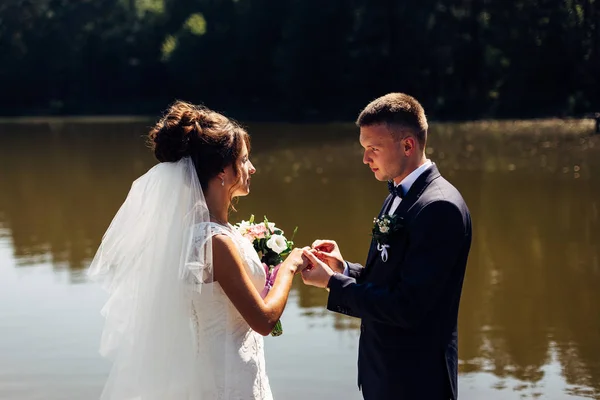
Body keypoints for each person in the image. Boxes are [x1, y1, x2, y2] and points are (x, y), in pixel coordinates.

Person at [88, 100, 307, 399]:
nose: (252, 168)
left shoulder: (200, 234)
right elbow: (264, 321)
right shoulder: (216, 242)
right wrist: (289, 266)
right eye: (243, 160)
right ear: (221, 171)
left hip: (221, 368)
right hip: (228, 380)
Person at [301, 93, 472, 399]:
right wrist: (344, 268)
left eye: (373, 149)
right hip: (384, 374)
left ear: (408, 145)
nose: (366, 159)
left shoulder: (439, 207)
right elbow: (390, 279)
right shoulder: (398, 192)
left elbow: (408, 306)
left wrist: (332, 283)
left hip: (416, 381)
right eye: (364, 149)